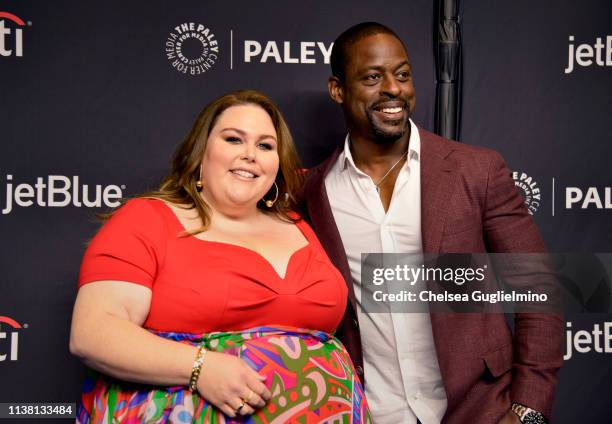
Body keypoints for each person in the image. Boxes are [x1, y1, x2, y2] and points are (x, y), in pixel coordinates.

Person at [300, 23, 563, 424]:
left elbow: (539, 287)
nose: (393, 89)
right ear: (337, 89)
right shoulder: (312, 192)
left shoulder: (476, 170)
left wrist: (527, 409)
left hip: (482, 411)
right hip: (371, 413)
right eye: (373, 77)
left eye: (402, 74)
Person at [70, 90, 371, 423]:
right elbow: (93, 332)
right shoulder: (147, 219)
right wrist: (200, 367)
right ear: (202, 152)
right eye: (233, 139)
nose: (250, 155)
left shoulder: (298, 224)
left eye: (265, 145)